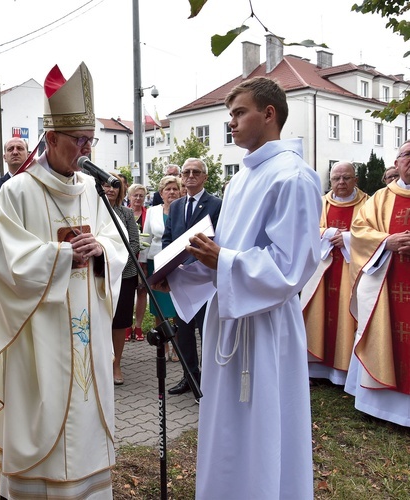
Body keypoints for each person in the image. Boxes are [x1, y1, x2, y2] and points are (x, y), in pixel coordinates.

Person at [0, 62, 127, 498]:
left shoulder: (91, 190)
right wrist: (61, 256)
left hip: (88, 330)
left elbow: (116, 247)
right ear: (52, 138)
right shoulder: (17, 192)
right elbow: (3, 262)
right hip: (39, 333)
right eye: (77, 141)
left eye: (90, 140)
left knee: (87, 410)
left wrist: (103, 254)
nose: (85, 149)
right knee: (44, 415)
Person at [166, 77, 322, 498]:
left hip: (266, 326)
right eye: (230, 115)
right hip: (228, 320)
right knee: (226, 424)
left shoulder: (294, 177)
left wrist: (225, 260)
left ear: (268, 114)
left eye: (238, 113)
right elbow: (224, 252)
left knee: (264, 423)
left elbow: (293, 266)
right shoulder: (238, 181)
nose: (231, 123)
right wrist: (175, 272)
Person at [346, 140, 410, 426]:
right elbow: (359, 231)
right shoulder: (380, 199)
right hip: (387, 282)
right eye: (407, 154)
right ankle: (382, 407)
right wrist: (387, 241)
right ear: (397, 163)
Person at [301, 161, 367, 385]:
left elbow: (374, 234)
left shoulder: (368, 204)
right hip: (322, 271)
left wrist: (348, 238)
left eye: (346, 178)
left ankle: (343, 370)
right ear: (330, 180)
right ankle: (317, 368)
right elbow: (306, 228)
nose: (341, 183)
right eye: (336, 178)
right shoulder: (320, 204)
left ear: (355, 180)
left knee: (347, 316)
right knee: (318, 313)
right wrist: (328, 233)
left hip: (352, 271)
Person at [161, 158, 222, 395]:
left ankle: (211, 382)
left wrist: (194, 265)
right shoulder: (176, 206)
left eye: (196, 172)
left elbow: (219, 238)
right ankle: (190, 377)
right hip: (180, 279)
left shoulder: (216, 204)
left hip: (205, 279)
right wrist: (168, 265)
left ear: (205, 177)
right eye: (186, 172)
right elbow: (168, 238)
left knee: (207, 331)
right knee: (183, 332)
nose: (190, 175)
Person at [103, 173, 139, 386]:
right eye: (106, 185)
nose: (110, 190)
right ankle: (100, 363)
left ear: (120, 190)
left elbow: (133, 243)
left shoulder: (125, 214)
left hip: (124, 275)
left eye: (114, 186)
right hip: (100, 274)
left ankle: (116, 364)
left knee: (118, 322)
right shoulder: (92, 211)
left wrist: (117, 265)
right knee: (101, 319)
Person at [145, 175, 183, 361]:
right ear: (161, 193)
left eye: (175, 189)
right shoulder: (152, 212)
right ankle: (164, 346)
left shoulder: (184, 209)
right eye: (168, 189)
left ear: (180, 191)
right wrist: (143, 265)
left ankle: (176, 347)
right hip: (156, 262)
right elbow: (146, 239)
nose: (172, 192)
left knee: (176, 307)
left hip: (178, 263)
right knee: (159, 308)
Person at [128, 183, 148, 342]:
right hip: (127, 260)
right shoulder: (124, 213)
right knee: (127, 293)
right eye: (135, 195)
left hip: (142, 259)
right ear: (129, 196)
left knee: (142, 292)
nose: (138, 198)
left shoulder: (148, 214)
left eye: (141, 195)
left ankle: (139, 325)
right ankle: (127, 326)